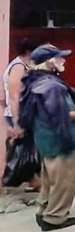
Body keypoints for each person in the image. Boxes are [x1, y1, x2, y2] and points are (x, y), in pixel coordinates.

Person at [20, 44, 75, 231]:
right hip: (61, 139)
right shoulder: (52, 86)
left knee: (49, 178)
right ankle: (55, 218)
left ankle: (43, 210)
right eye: (60, 58)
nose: (64, 60)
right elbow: (62, 115)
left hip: (44, 138)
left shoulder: (32, 80)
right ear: (50, 62)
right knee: (64, 180)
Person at [3, 38, 42, 191]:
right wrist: (17, 121)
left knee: (28, 148)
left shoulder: (25, 65)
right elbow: (14, 95)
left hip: (24, 113)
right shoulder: (19, 67)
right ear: (28, 52)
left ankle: (33, 180)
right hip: (18, 114)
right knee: (22, 149)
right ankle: (29, 179)